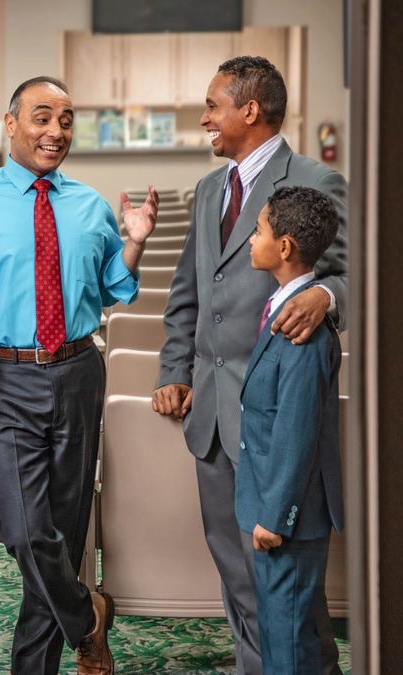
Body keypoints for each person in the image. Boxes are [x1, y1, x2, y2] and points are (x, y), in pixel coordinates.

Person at [0, 75, 159, 675]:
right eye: (42, 117)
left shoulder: (89, 205)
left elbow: (111, 287)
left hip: (79, 371)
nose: (56, 131)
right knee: (23, 531)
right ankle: (89, 614)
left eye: (66, 120)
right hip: (4, 379)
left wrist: (135, 243)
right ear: (12, 124)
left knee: (63, 535)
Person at [153, 56, 347, 675]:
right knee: (237, 575)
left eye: (213, 106)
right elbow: (190, 289)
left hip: (270, 421)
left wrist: (326, 295)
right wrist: (174, 370)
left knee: (283, 585)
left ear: (250, 109)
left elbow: (364, 274)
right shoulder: (210, 189)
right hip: (210, 412)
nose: (205, 119)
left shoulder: (315, 179)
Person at [237, 185, 343, 675]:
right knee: (296, 636)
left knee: (289, 648)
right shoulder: (285, 303)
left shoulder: (303, 328)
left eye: (258, 230)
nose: (250, 239)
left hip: (289, 519)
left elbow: (297, 431)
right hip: (276, 506)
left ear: (283, 247)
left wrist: (276, 517)